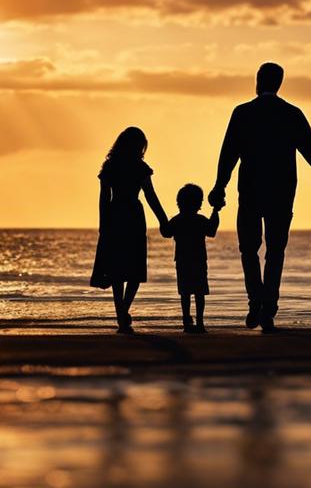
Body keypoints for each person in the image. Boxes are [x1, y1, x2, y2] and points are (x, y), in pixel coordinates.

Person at [209, 62, 311, 333]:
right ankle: (268, 307)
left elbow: (228, 155)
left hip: (250, 191)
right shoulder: (292, 114)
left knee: (248, 250)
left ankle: (255, 300)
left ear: (258, 80)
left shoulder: (243, 113)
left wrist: (219, 186)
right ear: (280, 83)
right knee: (275, 250)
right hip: (282, 193)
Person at [90, 127, 170, 334]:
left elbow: (103, 199)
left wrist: (103, 224)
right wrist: (163, 220)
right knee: (134, 269)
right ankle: (123, 311)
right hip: (133, 215)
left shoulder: (110, 166)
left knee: (118, 271)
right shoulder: (140, 167)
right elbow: (151, 196)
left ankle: (121, 314)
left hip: (115, 214)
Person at [164, 183, 221, 333]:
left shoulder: (177, 220)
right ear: (198, 204)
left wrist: (162, 219)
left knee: (185, 292)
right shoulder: (200, 220)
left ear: (179, 202)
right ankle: (200, 322)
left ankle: (186, 321)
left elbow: (166, 232)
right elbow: (212, 231)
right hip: (198, 260)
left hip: (183, 261)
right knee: (199, 292)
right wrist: (216, 210)